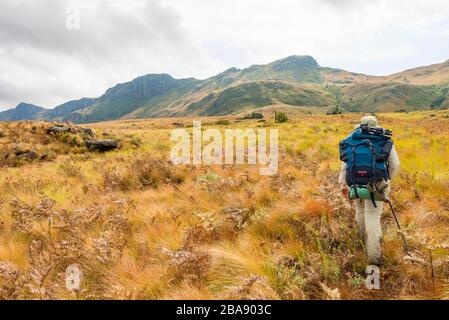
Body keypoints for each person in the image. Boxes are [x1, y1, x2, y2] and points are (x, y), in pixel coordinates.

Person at [339, 116, 400, 266]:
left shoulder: (351, 140)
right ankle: (374, 258)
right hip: (377, 184)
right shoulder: (384, 140)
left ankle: (361, 242)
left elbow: (344, 167)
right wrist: (385, 181)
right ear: (376, 126)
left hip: (355, 183)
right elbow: (395, 165)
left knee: (360, 212)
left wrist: (343, 186)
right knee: (372, 216)